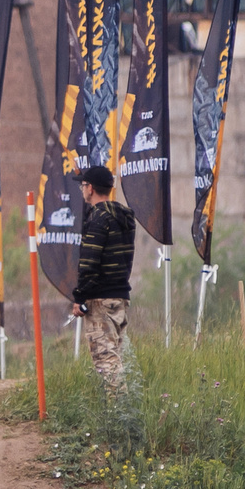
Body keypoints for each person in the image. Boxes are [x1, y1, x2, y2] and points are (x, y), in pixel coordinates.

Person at [71, 164, 135, 385]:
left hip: (100, 301)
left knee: (106, 362)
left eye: (83, 185)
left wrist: (79, 297)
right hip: (120, 298)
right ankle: (121, 411)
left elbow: (89, 263)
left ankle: (119, 416)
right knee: (116, 359)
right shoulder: (123, 218)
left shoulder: (97, 219)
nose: (82, 189)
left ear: (91, 188)